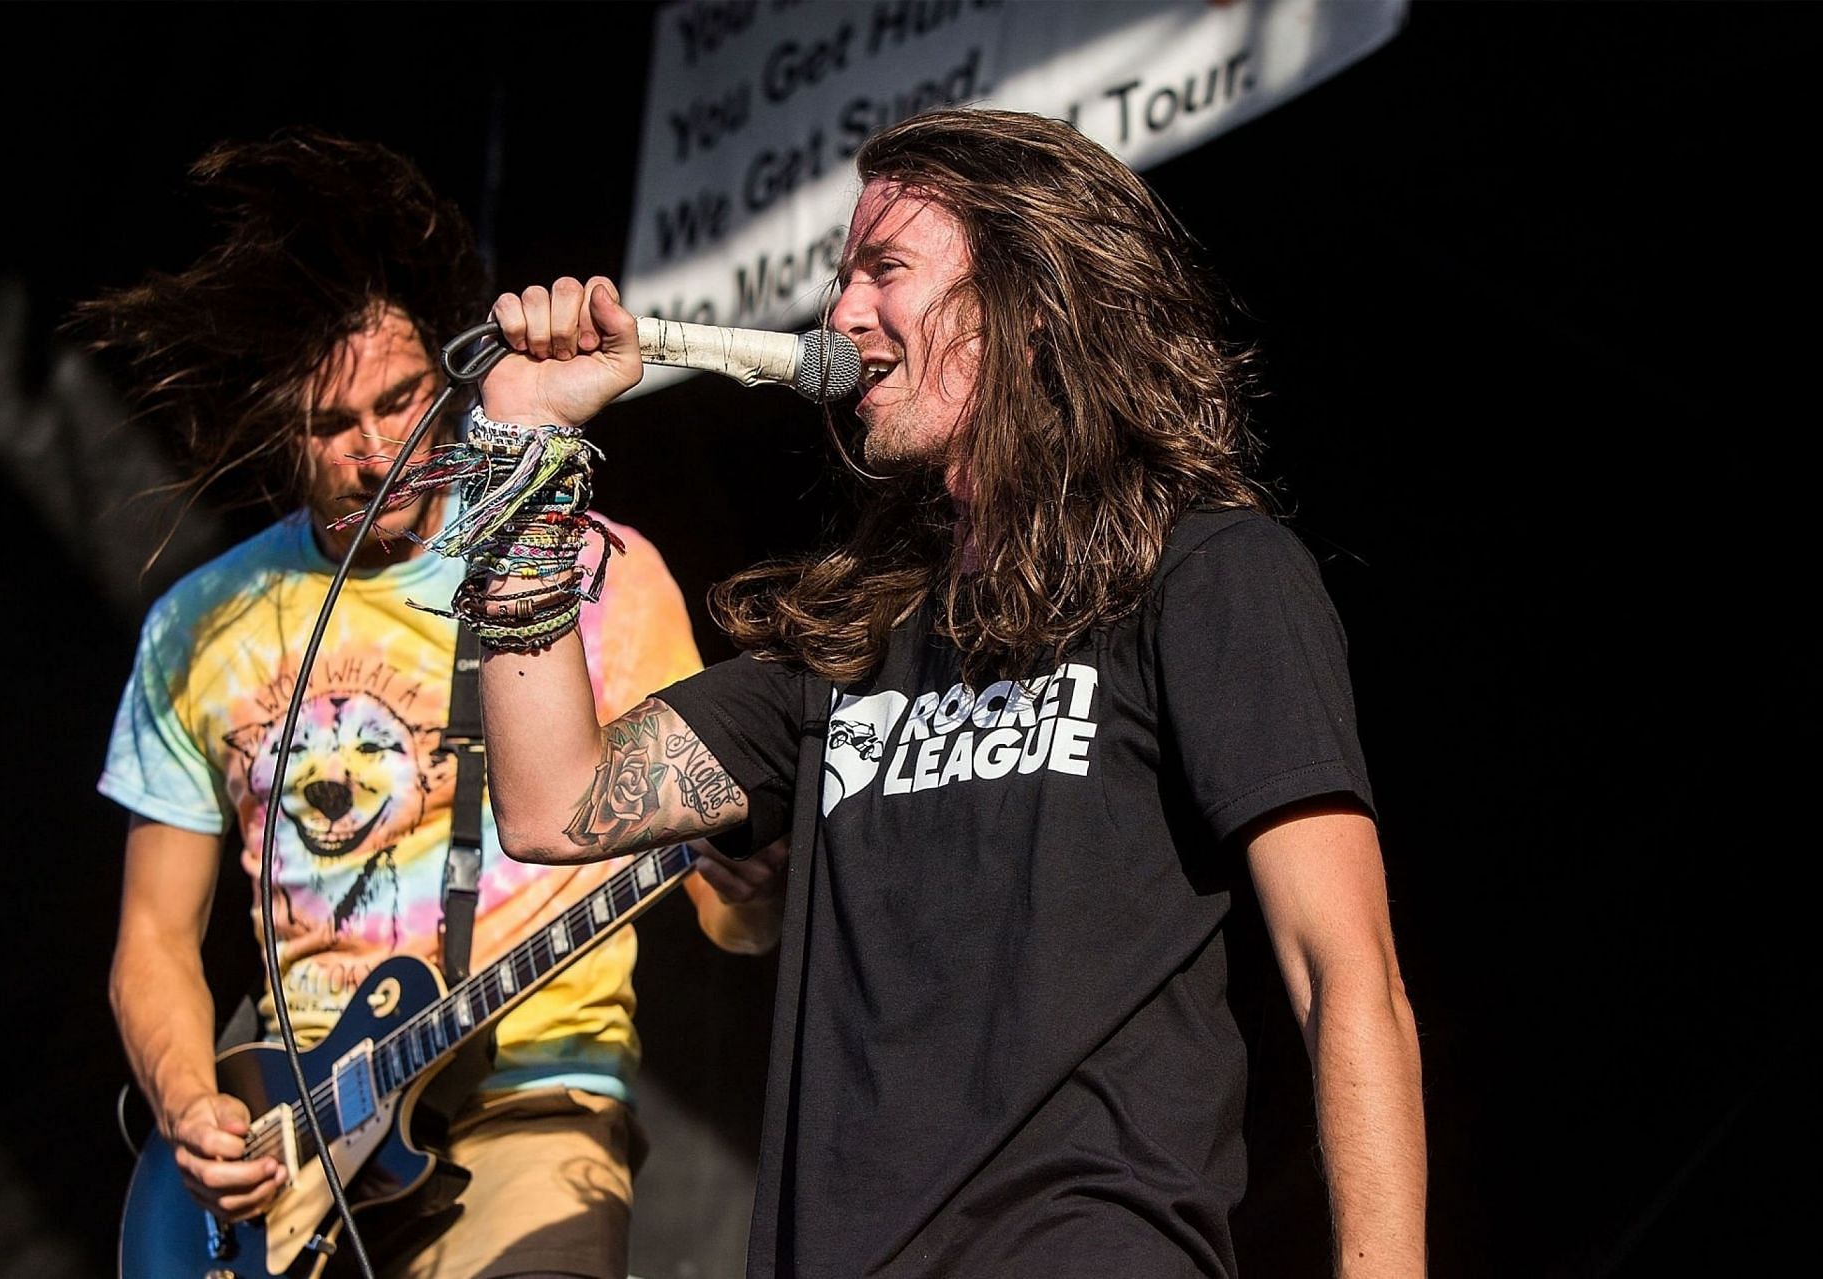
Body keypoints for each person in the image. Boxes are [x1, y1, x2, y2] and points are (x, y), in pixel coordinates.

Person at [461, 108, 1425, 1277]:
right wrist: (522, 450)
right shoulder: (851, 642)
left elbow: (1344, 972)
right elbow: (554, 799)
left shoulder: (1207, 573)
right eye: (841, 278)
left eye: (886, 269)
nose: (843, 315)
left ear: (1026, 300)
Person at [85, 128, 785, 1279]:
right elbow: (153, 937)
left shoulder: (596, 571)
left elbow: (727, 903)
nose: (376, 453)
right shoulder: (201, 625)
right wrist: (188, 1105)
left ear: (448, 377)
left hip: (533, 1087)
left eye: (404, 401)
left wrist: (749, 885)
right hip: (288, 1134)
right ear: (281, 432)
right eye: (331, 426)